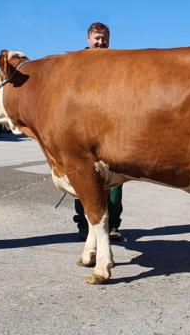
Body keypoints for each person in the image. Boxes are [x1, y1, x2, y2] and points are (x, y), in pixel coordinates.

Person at [73, 22, 124, 242]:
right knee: (83, 177)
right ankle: (84, 224)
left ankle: (112, 225)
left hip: (111, 129)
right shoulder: (75, 63)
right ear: (88, 39)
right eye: (97, 38)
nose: (101, 42)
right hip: (83, 128)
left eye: (104, 38)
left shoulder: (117, 62)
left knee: (115, 178)